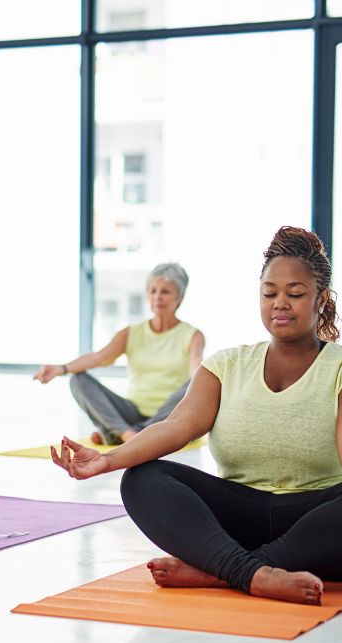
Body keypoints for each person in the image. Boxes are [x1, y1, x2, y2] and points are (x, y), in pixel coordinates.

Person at [51, 226, 342, 605]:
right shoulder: (226, 365)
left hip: (315, 524)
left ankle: (227, 571)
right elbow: (176, 427)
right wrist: (106, 460)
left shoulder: (337, 366)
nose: (280, 303)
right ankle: (253, 571)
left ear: (321, 299)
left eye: (296, 294)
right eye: (270, 293)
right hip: (238, 520)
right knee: (143, 478)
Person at [34, 263, 205, 445]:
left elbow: (196, 368)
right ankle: (128, 434)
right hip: (131, 411)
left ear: (180, 297)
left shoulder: (192, 335)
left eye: (165, 292)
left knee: (195, 382)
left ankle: (119, 433)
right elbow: (98, 357)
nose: (157, 297)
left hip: (169, 414)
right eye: (152, 291)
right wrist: (61, 369)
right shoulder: (131, 333)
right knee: (78, 380)